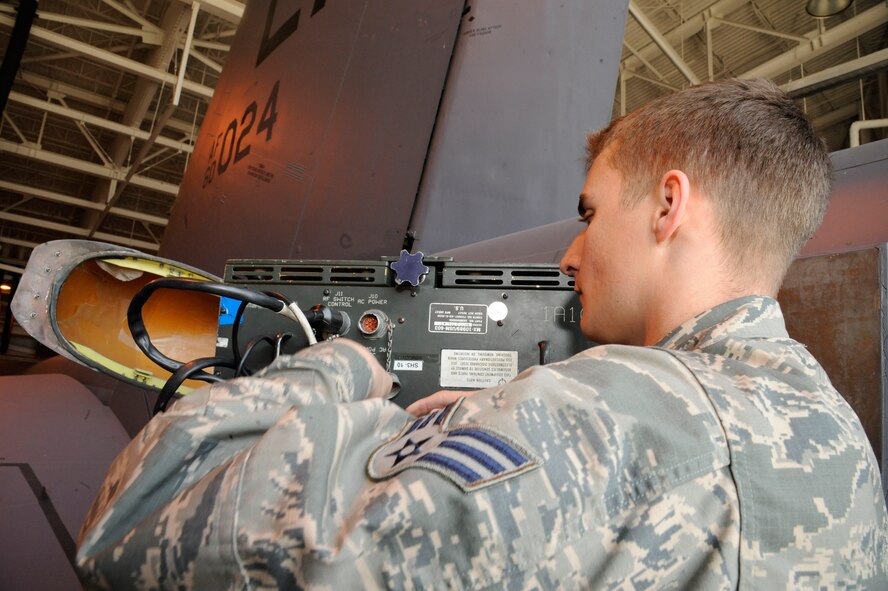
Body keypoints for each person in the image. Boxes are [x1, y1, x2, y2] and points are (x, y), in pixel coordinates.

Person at [76, 79, 887, 589]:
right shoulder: (848, 449)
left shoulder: (596, 413)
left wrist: (343, 376)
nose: (571, 255)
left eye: (589, 213)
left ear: (669, 206)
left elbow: (135, 531)